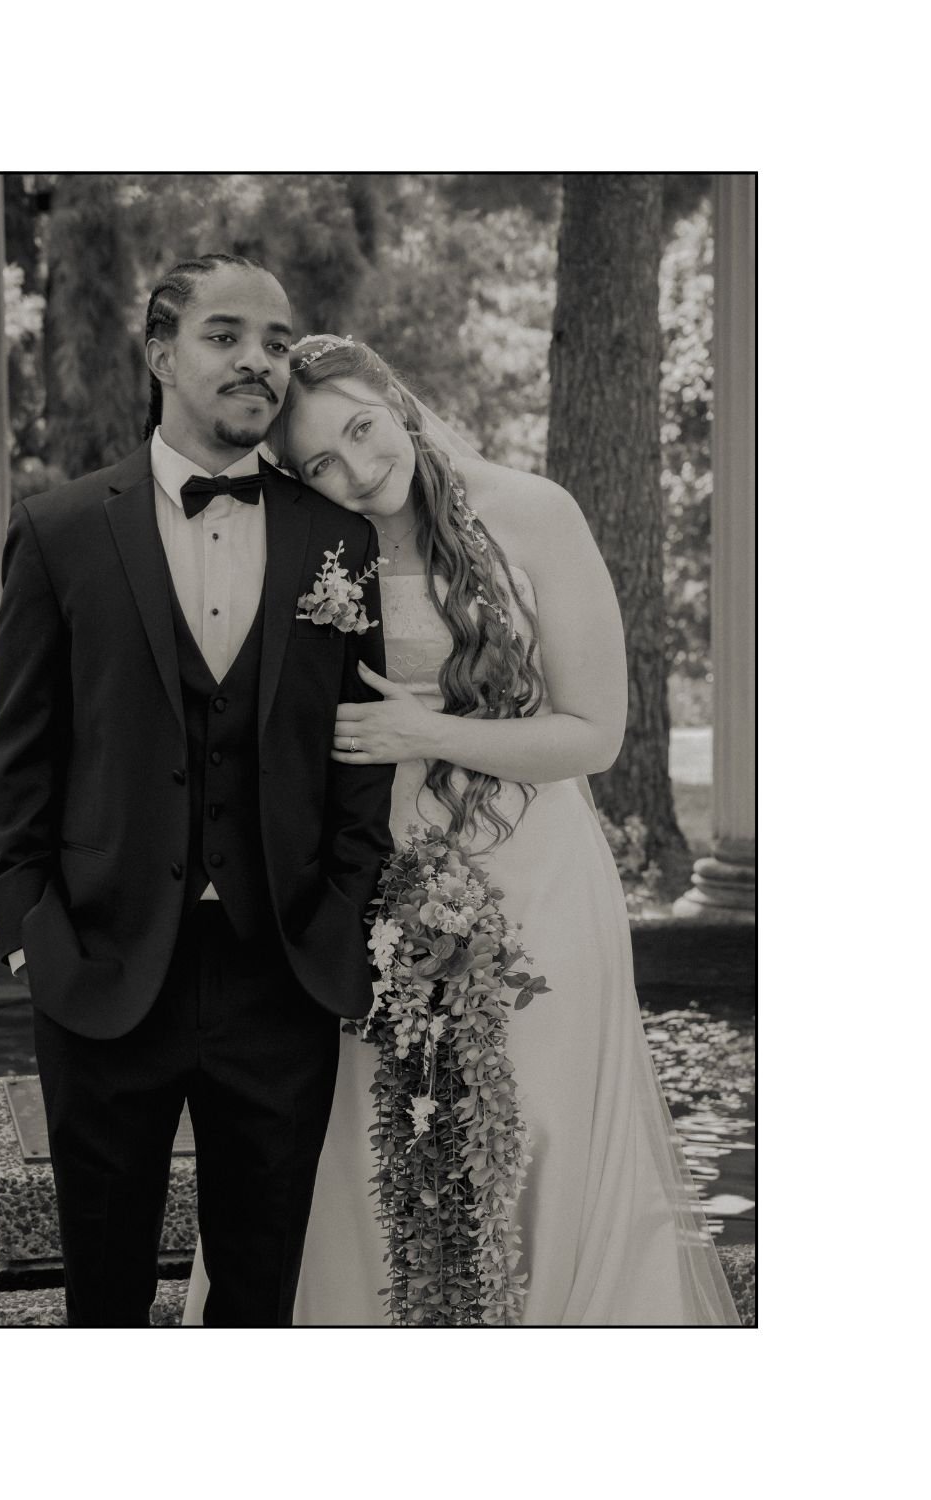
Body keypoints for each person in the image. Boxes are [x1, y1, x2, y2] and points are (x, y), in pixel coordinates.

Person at [184, 333, 740, 1326]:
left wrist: (421, 729)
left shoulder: (534, 513)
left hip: (538, 882)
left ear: (394, 397)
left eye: (361, 429)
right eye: (321, 463)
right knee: (364, 1139)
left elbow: (596, 734)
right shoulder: (312, 546)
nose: (358, 470)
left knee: (542, 1128)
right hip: (375, 889)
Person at [0, 266, 394, 1327]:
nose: (259, 358)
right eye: (226, 335)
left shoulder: (336, 543)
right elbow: (21, 758)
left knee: (258, 1300)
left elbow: (360, 754)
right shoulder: (62, 529)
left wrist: (341, 913)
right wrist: (33, 935)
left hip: (281, 971)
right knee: (105, 1301)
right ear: (162, 354)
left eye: (276, 337)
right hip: (105, 968)